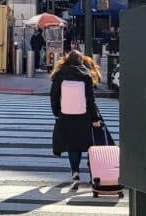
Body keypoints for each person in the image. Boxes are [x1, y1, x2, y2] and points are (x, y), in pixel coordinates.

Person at [50, 50, 102, 190]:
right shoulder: (85, 75)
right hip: (83, 115)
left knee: (72, 145)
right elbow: (90, 100)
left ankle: (75, 172)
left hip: (65, 114)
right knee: (89, 144)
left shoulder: (59, 74)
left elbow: (53, 96)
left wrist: (56, 112)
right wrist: (95, 117)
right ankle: (93, 173)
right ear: (81, 60)